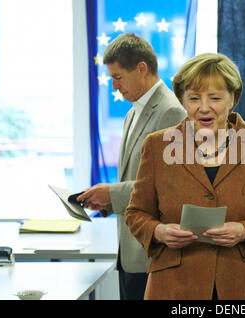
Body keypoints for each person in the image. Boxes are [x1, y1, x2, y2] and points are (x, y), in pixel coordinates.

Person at [125, 52, 245, 300]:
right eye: (194, 98)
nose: (204, 108)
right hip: (174, 287)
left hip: (244, 286)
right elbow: (136, 213)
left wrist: (244, 231)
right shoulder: (157, 145)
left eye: (215, 98)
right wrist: (158, 232)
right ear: (183, 101)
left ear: (232, 99)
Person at [77, 33, 186, 300]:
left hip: (154, 257)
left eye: (118, 77)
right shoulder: (132, 111)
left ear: (142, 68)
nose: (113, 86)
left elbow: (170, 187)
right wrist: (107, 201)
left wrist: (112, 194)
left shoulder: (171, 112)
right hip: (132, 255)